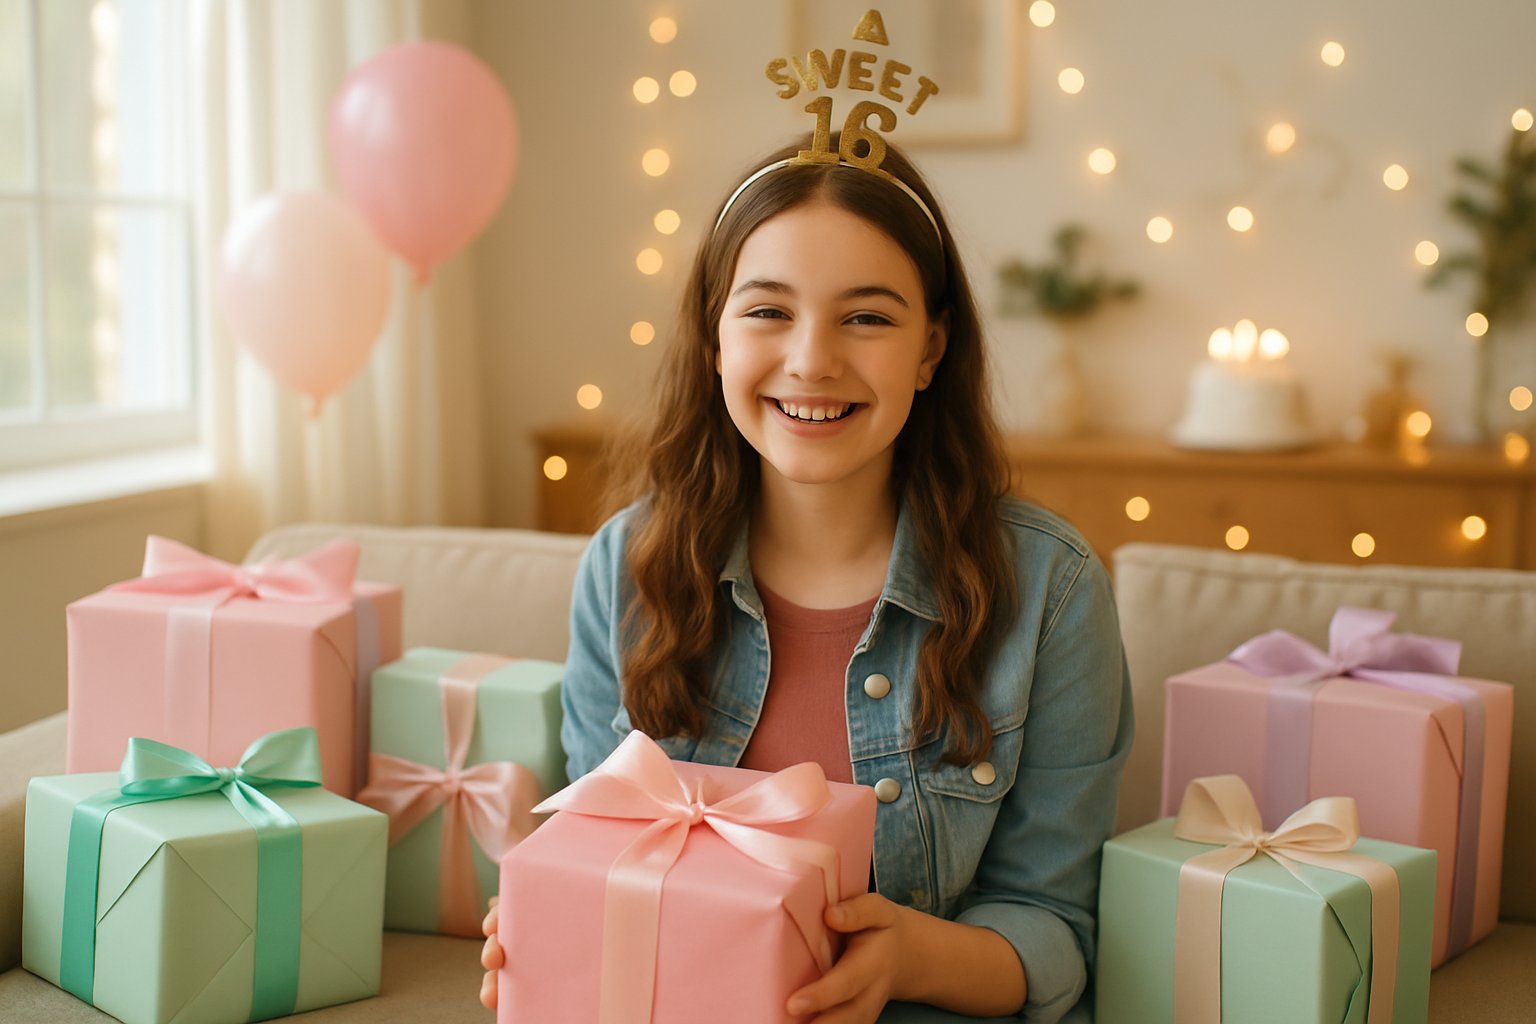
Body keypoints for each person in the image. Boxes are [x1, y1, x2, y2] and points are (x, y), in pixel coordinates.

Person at [480, 133, 1133, 1024]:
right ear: (714, 335)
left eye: (867, 317)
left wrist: (908, 958)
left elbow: (1056, 931)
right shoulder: (625, 570)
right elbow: (605, 859)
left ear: (931, 350)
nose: (813, 360)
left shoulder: (1050, 589)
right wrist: (550, 930)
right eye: (767, 312)